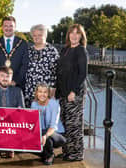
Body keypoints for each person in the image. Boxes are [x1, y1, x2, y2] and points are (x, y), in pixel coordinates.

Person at [56, 24, 88, 161]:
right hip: (63, 93)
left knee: (74, 124)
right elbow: (60, 72)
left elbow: (82, 74)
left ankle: (76, 154)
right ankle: (67, 150)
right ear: (68, 35)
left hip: (74, 93)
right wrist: (57, 91)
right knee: (65, 123)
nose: (74, 36)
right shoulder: (65, 50)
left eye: (77, 33)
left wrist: (73, 91)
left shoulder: (81, 51)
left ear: (81, 36)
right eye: (72, 33)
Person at [24, 24, 59, 108]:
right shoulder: (28, 51)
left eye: (40, 35)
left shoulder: (52, 51)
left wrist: (53, 90)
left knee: (45, 119)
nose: (36, 37)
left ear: (45, 36)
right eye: (34, 35)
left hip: (45, 94)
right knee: (31, 119)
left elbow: (57, 72)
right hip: (30, 92)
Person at [31, 83, 66, 165]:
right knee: (28, 143)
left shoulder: (54, 104)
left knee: (47, 138)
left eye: (45, 92)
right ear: (36, 93)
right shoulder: (34, 104)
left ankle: (49, 156)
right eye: (40, 92)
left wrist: (45, 136)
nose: (42, 94)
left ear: (48, 93)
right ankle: (47, 155)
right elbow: (34, 125)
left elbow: (53, 126)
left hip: (57, 134)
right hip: (41, 133)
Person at [0, 16, 29, 89]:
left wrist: (15, 81)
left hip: (17, 85)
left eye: (11, 26)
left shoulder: (23, 43)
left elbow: (24, 65)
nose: (8, 28)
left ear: (15, 27)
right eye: (6, 26)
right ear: (2, 27)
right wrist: (1, 80)